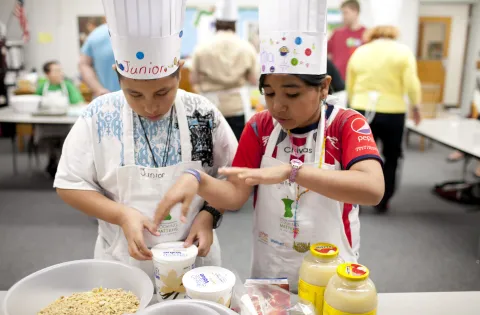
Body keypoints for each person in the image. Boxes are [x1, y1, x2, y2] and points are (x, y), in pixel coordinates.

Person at [155, 0, 384, 292]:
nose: (278, 106)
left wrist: (293, 172)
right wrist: (197, 179)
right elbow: (236, 195)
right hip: (271, 265)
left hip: (331, 269)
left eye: (291, 93)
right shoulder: (260, 126)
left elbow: (373, 189)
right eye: (269, 93)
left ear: (324, 87)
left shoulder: (347, 125)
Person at [55, 0, 237, 278]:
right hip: (121, 259)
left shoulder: (201, 113)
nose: (151, 107)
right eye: (135, 95)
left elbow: (233, 179)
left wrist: (209, 214)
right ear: (118, 77)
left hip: (194, 257)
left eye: (163, 92)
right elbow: (69, 184)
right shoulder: (98, 116)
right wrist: (121, 215)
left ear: (179, 73)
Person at [346, 25, 422, 212]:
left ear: (371, 36)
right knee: (391, 156)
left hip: (362, 110)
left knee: (358, 155)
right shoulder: (403, 52)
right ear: (393, 35)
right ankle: (383, 200)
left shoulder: (360, 52)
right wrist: (416, 105)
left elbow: (351, 83)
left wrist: (350, 105)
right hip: (392, 111)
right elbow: (411, 83)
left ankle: (358, 198)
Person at [190, 0, 258, 140]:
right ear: (235, 24)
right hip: (236, 108)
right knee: (235, 153)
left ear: (216, 24)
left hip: (208, 106)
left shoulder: (202, 48)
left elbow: (193, 80)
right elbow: (254, 79)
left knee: (209, 155)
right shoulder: (246, 47)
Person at [35, 61, 84, 178]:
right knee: (48, 139)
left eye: (60, 70)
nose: (60, 74)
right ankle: (52, 161)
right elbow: (35, 104)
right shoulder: (42, 87)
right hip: (46, 125)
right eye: (56, 71)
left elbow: (79, 103)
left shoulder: (67, 85)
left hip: (65, 125)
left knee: (66, 140)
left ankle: (64, 165)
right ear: (47, 74)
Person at [79, 20, 120, 98]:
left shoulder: (96, 34)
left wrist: (99, 90)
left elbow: (83, 64)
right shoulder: (97, 35)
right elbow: (83, 64)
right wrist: (98, 89)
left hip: (106, 99)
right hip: (107, 99)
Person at [328, 0, 366, 81]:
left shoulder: (366, 34)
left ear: (355, 12)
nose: (343, 16)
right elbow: (328, 55)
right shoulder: (336, 33)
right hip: (337, 81)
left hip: (358, 80)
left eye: (346, 13)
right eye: (342, 13)